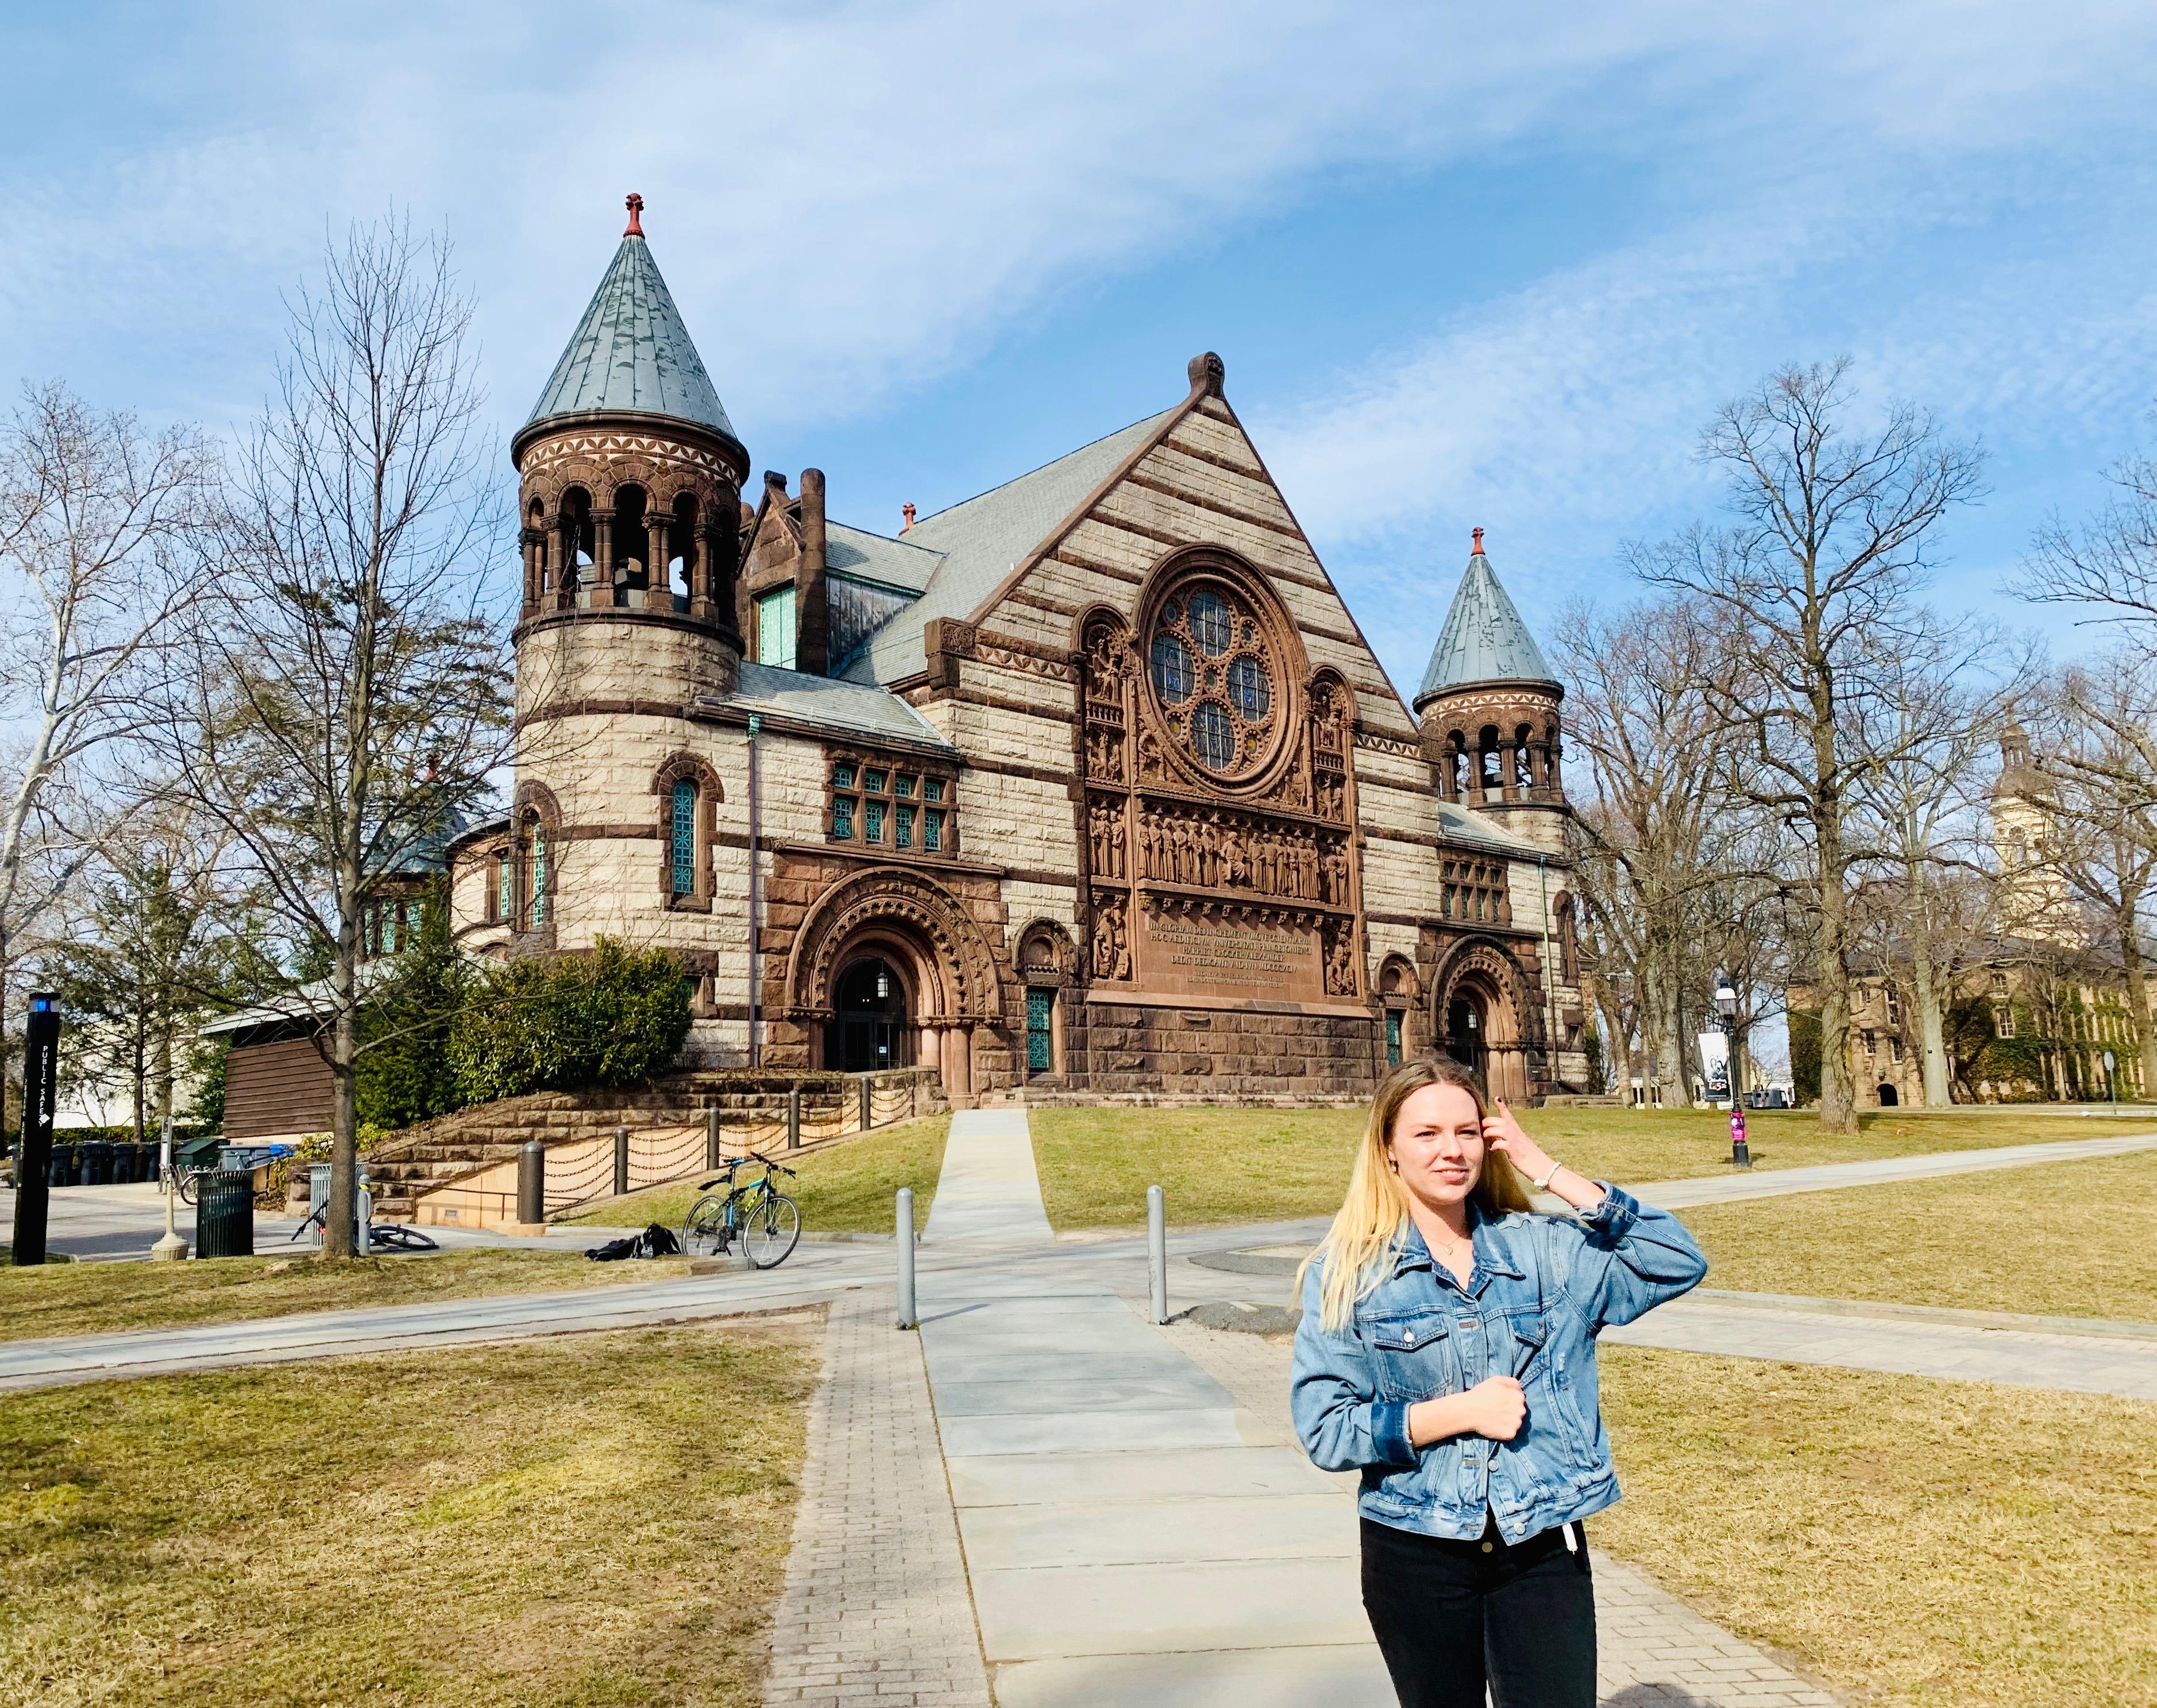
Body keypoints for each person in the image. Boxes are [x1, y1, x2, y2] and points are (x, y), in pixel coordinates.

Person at [1291, 1057, 1708, 1707]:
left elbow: (1675, 1260)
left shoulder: (1544, 1252)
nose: (1450, 1151)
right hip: (1415, 1547)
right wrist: (1460, 1411)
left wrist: (1545, 1169)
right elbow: (1325, 1428)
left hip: (1538, 1547)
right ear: (1389, 1149)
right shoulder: (1349, 1274)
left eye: (1466, 1131)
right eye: (1426, 1134)